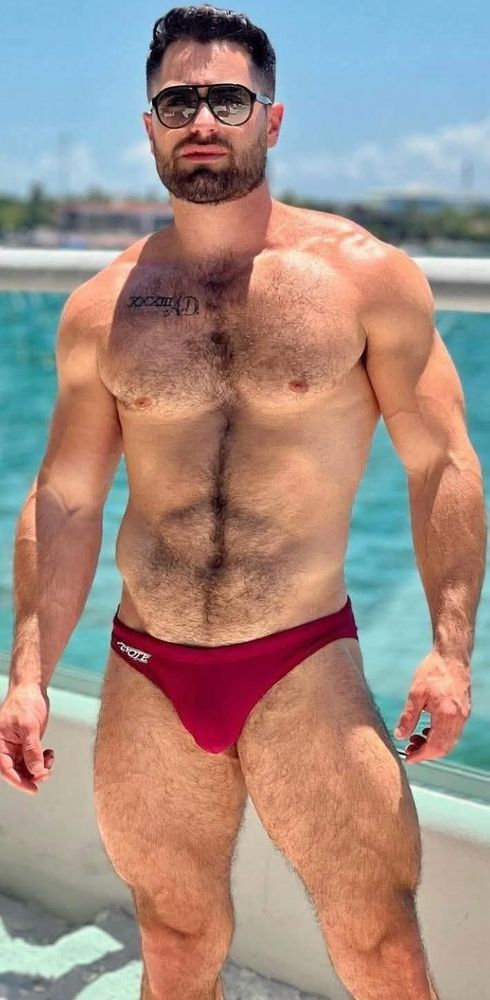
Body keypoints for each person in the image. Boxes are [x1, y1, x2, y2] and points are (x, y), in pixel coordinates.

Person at [0, 5, 486, 999]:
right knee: (174, 937)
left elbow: (441, 466)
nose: (202, 119)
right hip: (147, 662)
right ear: (149, 126)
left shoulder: (365, 279)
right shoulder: (103, 306)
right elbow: (67, 498)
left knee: (379, 942)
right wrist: (29, 671)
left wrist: (448, 651)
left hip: (302, 657)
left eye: (229, 98)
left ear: (273, 117)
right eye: (178, 101)